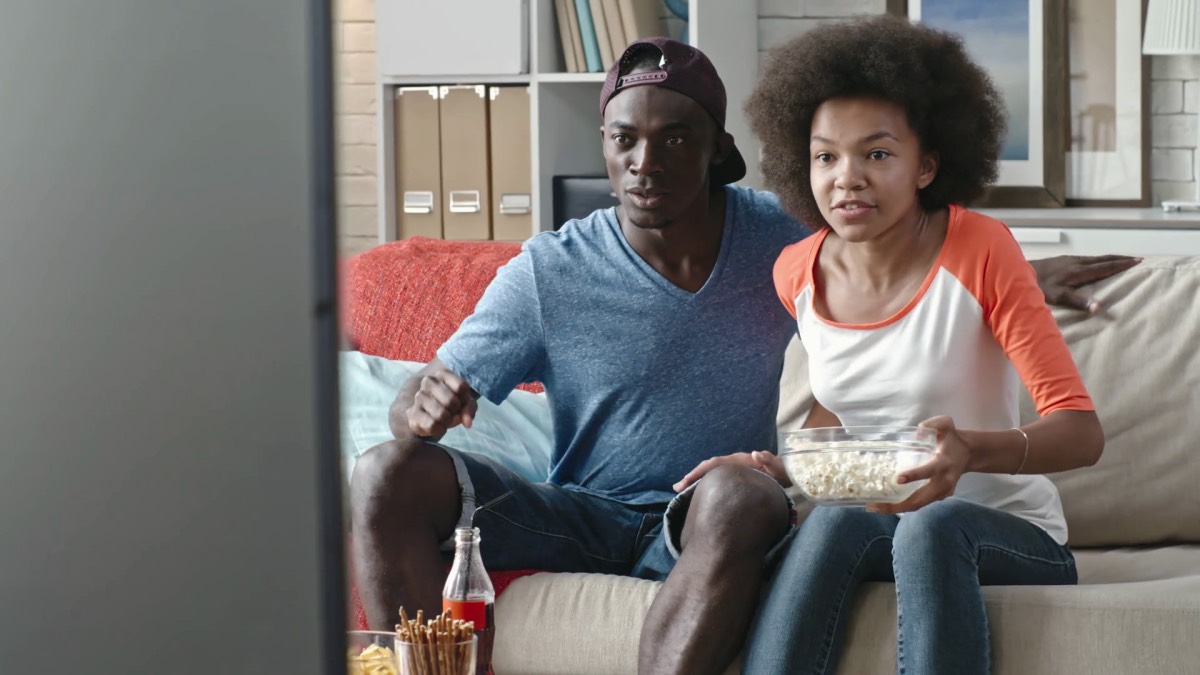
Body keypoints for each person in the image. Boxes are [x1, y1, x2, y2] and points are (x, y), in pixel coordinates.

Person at [349, 36, 1135, 675]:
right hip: (579, 513)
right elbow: (432, 392)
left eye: (674, 139)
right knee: (384, 468)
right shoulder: (553, 270)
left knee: (742, 492)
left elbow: (902, 255)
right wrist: (416, 403)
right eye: (624, 140)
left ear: (721, 150)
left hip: (713, 516)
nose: (644, 163)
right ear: (604, 145)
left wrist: (1014, 278)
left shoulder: (779, 239)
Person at [687, 15, 1103, 674]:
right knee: (828, 521)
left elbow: (1081, 433)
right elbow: (842, 405)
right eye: (826, 156)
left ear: (926, 165)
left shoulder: (980, 248)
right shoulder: (796, 270)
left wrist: (968, 452)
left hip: (1011, 534)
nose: (846, 178)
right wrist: (786, 465)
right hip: (891, 524)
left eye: (876, 154)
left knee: (937, 523)